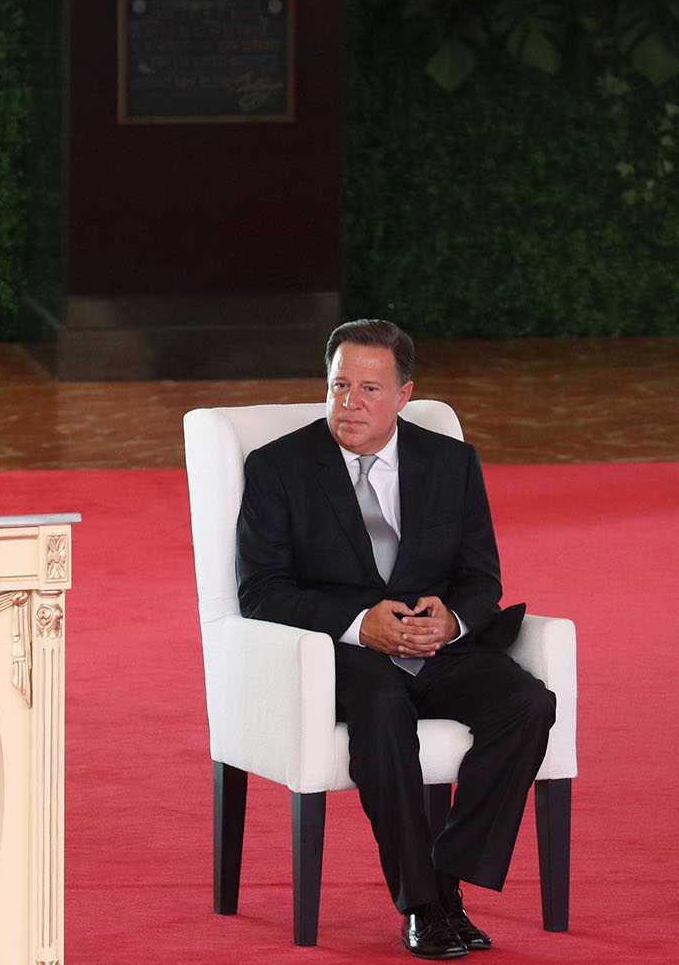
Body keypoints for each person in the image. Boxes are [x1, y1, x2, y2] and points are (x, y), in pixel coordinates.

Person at [236, 320, 555, 959]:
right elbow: (262, 591)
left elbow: (481, 575)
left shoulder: (451, 462)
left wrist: (455, 620)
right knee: (382, 711)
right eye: (339, 386)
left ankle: (446, 875)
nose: (349, 403)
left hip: (437, 648)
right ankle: (422, 903)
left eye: (369, 390)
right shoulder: (278, 468)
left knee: (529, 704)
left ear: (405, 395)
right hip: (343, 655)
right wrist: (359, 625)